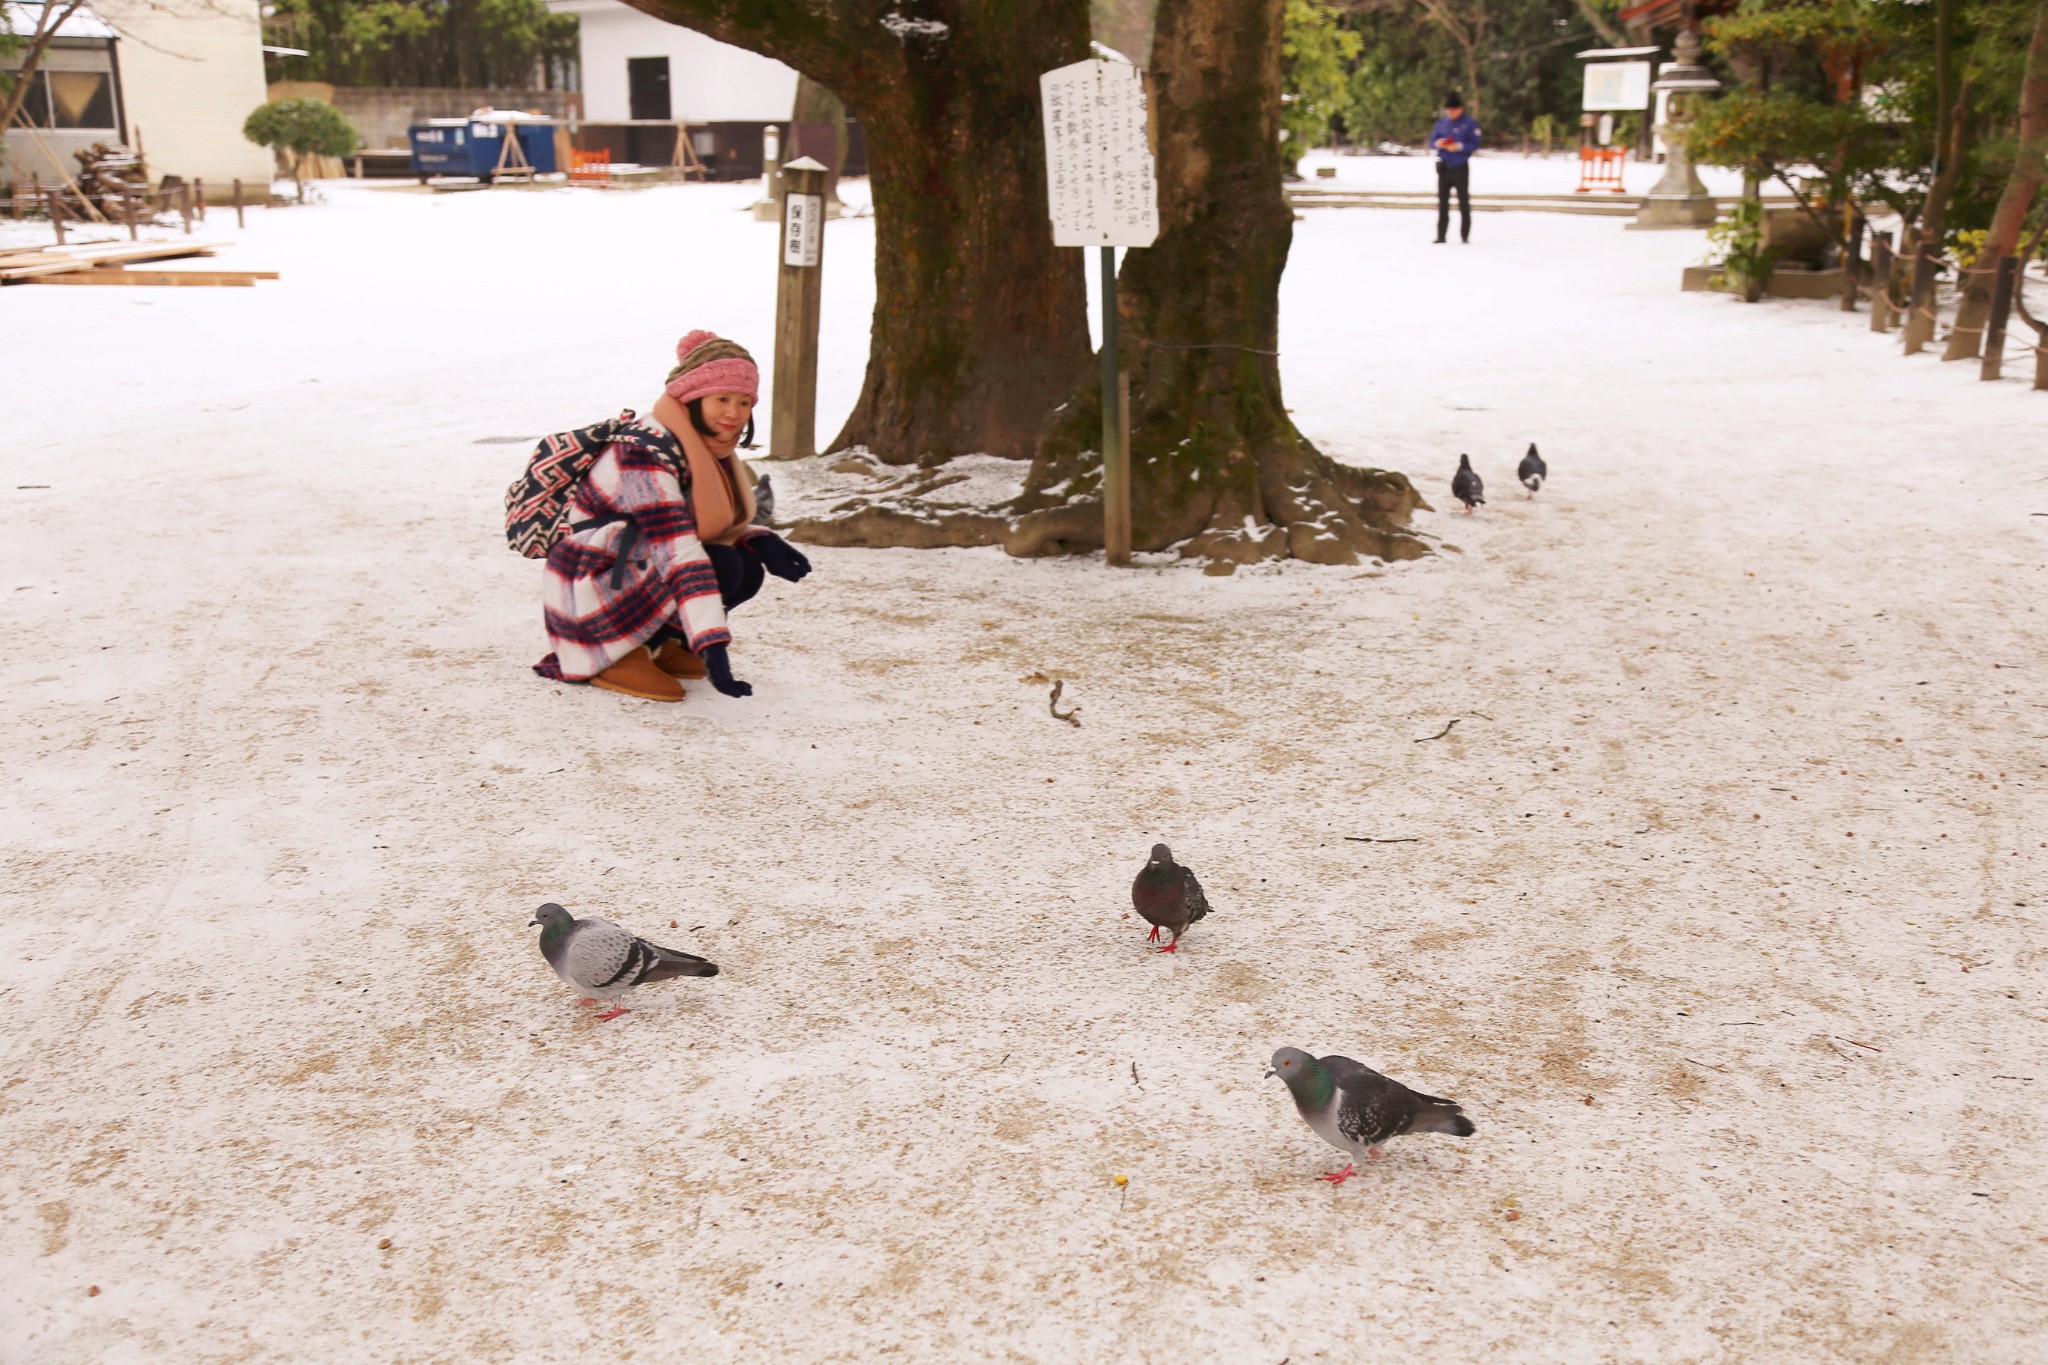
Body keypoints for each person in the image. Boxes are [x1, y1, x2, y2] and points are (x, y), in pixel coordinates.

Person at [533, 330, 811, 703]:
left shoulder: (701, 442)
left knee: (744, 564)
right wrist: (713, 645)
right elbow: (676, 547)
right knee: (722, 563)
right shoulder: (645, 451)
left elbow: (705, 522)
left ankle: (660, 642)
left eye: (745, 402)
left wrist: (758, 538)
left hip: (629, 560)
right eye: (722, 399)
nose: (734, 413)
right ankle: (614, 654)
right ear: (692, 397)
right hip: (588, 578)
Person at [1429, 92, 1482, 244]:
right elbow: (1431, 140)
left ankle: (1464, 235)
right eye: (1448, 110)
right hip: (1444, 166)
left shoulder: (1470, 123)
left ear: (1460, 109)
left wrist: (1459, 146)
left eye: (1453, 110)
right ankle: (1441, 235)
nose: (1450, 113)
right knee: (1442, 203)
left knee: (1463, 202)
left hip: (1459, 166)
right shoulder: (1441, 123)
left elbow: (1475, 143)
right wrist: (1437, 143)